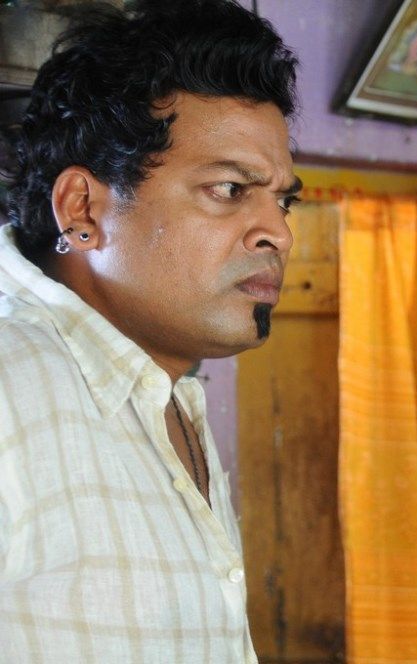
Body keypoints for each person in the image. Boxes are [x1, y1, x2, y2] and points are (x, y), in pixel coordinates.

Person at [0, 1, 300, 661]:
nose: (278, 231)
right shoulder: (10, 387)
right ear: (83, 210)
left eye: (284, 199)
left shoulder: (163, 391)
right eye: (230, 189)